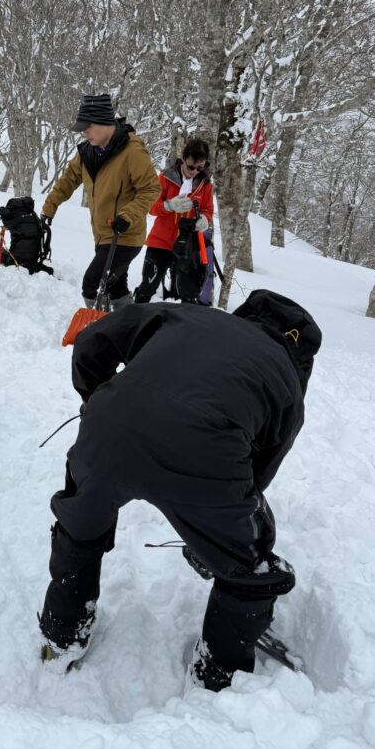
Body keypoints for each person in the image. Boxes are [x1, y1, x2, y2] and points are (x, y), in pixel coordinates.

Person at [37, 291, 322, 692]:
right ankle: (219, 676)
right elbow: (256, 481)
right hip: (206, 455)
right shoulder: (289, 382)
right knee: (248, 568)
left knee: (80, 524)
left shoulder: (187, 314)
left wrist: (98, 402)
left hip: (110, 427)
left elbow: (91, 341)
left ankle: (61, 634)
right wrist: (215, 538)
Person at [41, 94, 159, 308]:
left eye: (88, 127)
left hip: (125, 235)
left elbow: (151, 189)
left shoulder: (132, 151)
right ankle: (128, 326)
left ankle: (102, 328)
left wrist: (127, 216)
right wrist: (49, 208)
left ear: (105, 123)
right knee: (116, 287)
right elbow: (68, 181)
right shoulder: (87, 152)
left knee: (92, 284)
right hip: (102, 235)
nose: (84, 132)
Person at [134, 138, 214, 304]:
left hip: (189, 245)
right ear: (183, 159)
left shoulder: (205, 185)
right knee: (148, 286)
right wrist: (168, 205)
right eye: (191, 166)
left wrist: (205, 220)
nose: (195, 171)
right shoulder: (165, 178)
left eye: (201, 167)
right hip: (161, 242)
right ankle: (136, 320)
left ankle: (183, 327)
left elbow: (208, 210)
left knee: (189, 294)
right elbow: (150, 207)